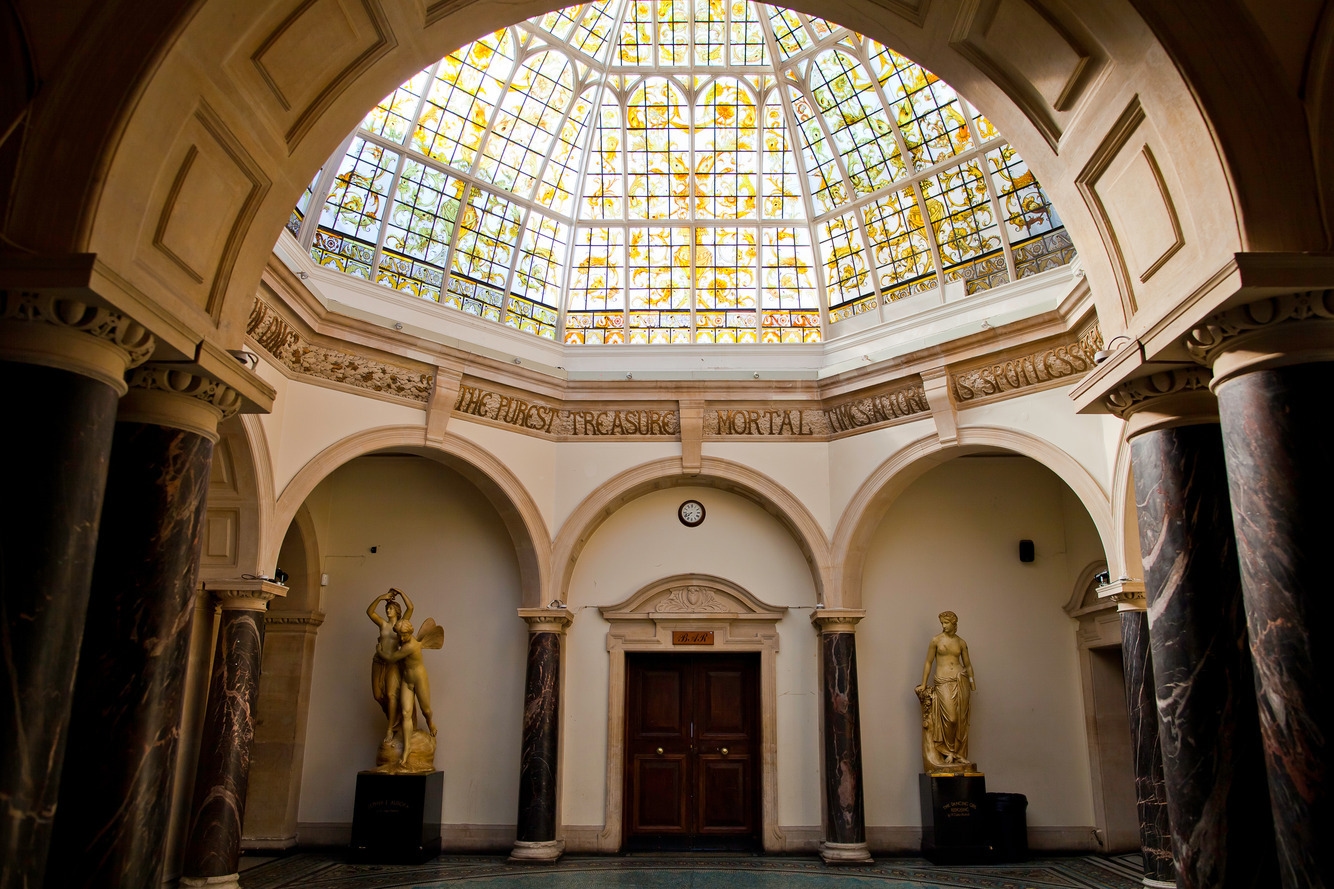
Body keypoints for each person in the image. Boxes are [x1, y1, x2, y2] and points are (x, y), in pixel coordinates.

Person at [914, 610, 976, 771]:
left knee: (961, 720)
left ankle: (956, 753)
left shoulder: (961, 643)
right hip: (943, 681)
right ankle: (947, 751)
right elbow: (928, 662)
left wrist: (972, 682)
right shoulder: (936, 640)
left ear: (954, 624)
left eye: (946, 623)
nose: (943, 626)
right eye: (942, 623)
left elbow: (968, 664)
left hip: (960, 680)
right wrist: (923, 683)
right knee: (951, 718)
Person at [381, 618, 439, 766]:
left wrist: (379, 651)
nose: (401, 638)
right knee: (406, 713)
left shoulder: (411, 646)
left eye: (404, 635)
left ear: (410, 632)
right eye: (399, 635)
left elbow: (392, 658)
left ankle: (430, 722)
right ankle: (406, 749)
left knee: (426, 710)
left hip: (419, 679)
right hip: (407, 680)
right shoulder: (404, 642)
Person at [367, 588, 413, 744]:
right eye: (387, 608)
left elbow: (411, 608)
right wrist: (381, 597)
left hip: (393, 662)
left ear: (397, 611)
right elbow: (370, 612)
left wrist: (400, 592)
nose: (388, 610)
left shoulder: (400, 624)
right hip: (378, 661)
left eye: (391, 608)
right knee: (378, 696)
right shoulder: (383, 624)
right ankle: (395, 718)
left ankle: (390, 729)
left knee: (391, 695)